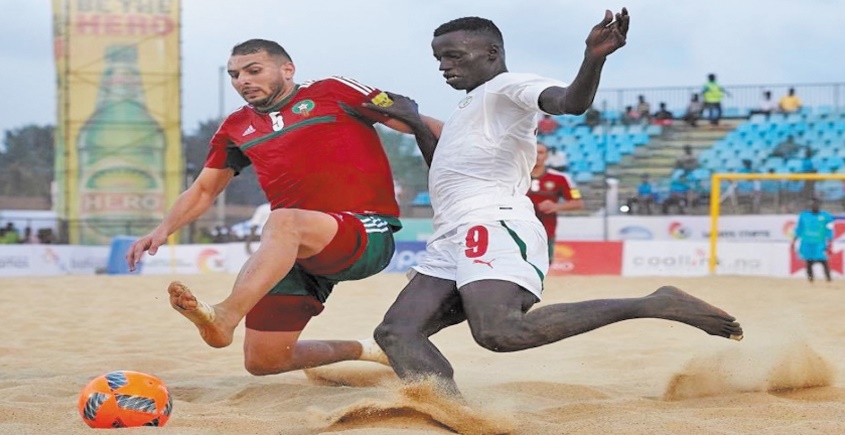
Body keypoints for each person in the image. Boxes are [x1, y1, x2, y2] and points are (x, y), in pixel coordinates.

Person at [364, 11, 742, 397]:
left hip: (492, 223)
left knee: (499, 332)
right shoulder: (470, 107)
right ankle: (449, 411)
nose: (444, 67)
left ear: (492, 52)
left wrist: (593, 58)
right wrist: (413, 122)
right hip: (451, 234)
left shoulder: (507, 86)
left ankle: (655, 303)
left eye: (455, 56)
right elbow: (445, 169)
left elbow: (568, 102)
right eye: (439, 59)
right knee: (396, 332)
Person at [125, 39, 440, 376]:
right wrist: (161, 231)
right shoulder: (234, 128)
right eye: (234, 75)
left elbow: (417, 122)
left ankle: (227, 315)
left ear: (287, 70)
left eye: (253, 70)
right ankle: (368, 349)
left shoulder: (332, 90)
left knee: (282, 220)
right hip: (296, 251)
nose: (242, 80)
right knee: (264, 360)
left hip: (364, 232)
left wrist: (485, 155)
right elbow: (203, 190)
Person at [527, 142, 584, 262]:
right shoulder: (515, 176)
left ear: (547, 156)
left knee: (544, 264)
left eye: (541, 152)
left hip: (546, 230)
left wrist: (555, 206)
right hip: (518, 227)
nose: (537, 156)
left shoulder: (560, 178)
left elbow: (578, 203)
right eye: (533, 152)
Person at [791, 197, 833, 282]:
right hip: (807, 243)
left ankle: (829, 280)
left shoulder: (826, 216)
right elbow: (799, 228)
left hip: (819, 243)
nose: (815, 205)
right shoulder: (804, 215)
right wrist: (794, 241)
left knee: (824, 261)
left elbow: (829, 229)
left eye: (817, 204)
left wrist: (830, 241)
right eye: (813, 203)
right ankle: (811, 280)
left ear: (820, 205)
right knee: (809, 263)